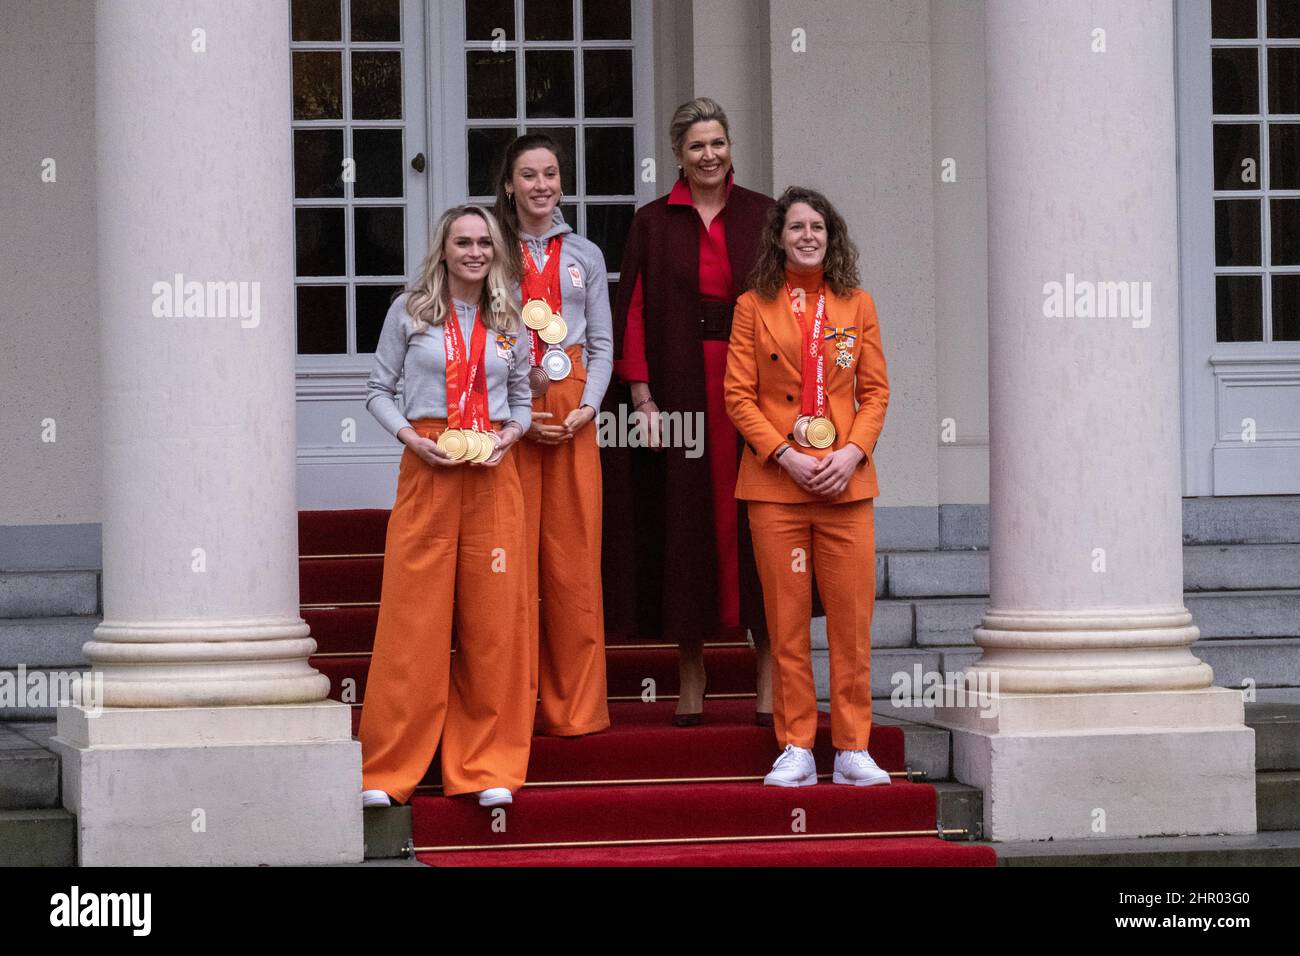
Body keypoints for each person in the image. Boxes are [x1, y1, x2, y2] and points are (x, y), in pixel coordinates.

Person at [358, 204, 535, 809]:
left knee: (492, 625)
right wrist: (413, 440)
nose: (475, 252)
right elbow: (378, 392)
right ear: (445, 249)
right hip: (429, 464)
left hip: (492, 473)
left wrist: (508, 439)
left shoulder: (509, 320)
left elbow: (521, 402)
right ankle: (387, 769)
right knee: (414, 620)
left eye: (485, 242)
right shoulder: (410, 313)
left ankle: (486, 766)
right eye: (463, 242)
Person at [606, 96, 775, 725]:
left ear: (731, 147)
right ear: (678, 154)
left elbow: (786, 301)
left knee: (758, 521)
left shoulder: (764, 213)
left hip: (753, 388)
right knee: (684, 524)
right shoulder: (653, 222)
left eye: (718, 143)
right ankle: (692, 669)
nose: (710, 154)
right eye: (697, 145)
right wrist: (641, 396)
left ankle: (766, 668)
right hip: (679, 387)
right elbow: (635, 313)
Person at [723, 186, 891, 787]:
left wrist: (852, 451)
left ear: (831, 235)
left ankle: (852, 747)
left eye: (817, 226)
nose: (808, 235)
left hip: (846, 485)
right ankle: (795, 743)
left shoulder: (857, 305)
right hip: (777, 487)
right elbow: (738, 398)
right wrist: (785, 456)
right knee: (786, 623)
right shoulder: (752, 306)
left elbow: (874, 394)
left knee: (851, 624)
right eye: (796, 227)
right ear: (779, 237)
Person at [493, 133, 613, 737]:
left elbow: (602, 344)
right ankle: (512, 705)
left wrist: (589, 408)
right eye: (529, 175)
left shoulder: (584, 254)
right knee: (509, 560)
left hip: (571, 411)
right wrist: (512, 413)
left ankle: (576, 710)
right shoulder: (488, 246)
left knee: (572, 562)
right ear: (509, 184)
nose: (541, 185)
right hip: (510, 408)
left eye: (551, 174)